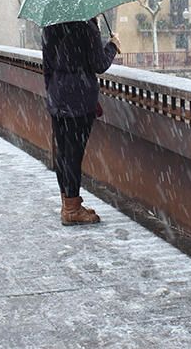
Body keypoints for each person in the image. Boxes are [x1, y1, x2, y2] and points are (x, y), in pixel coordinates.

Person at [42, 17, 121, 226]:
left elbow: (47, 67)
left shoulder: (51, 25)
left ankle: (68, 202)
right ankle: (72, 209)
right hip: (79, 98)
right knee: (74, 154)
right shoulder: (86, 26)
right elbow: (99, 64)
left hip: (58, 96)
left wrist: (53, 92)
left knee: (63, 152)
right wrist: (113, 45)